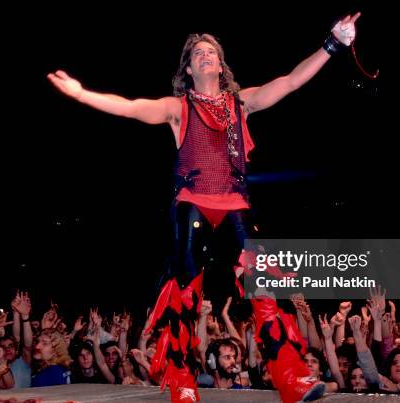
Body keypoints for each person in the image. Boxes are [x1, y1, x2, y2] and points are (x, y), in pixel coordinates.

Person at [48, 12, 361, 401]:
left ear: (221, 63)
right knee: (184, 294)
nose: (205, 55)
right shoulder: (177, 108)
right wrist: (81, 93)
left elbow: (291, 81)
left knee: (262, 285)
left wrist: (333, 44)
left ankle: (292, 378)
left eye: (211, 50)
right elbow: (129, 107)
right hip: (192, 203)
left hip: (235, 204)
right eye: (198, 52)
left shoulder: (241, 103)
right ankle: (181, 382)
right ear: (189, 67)